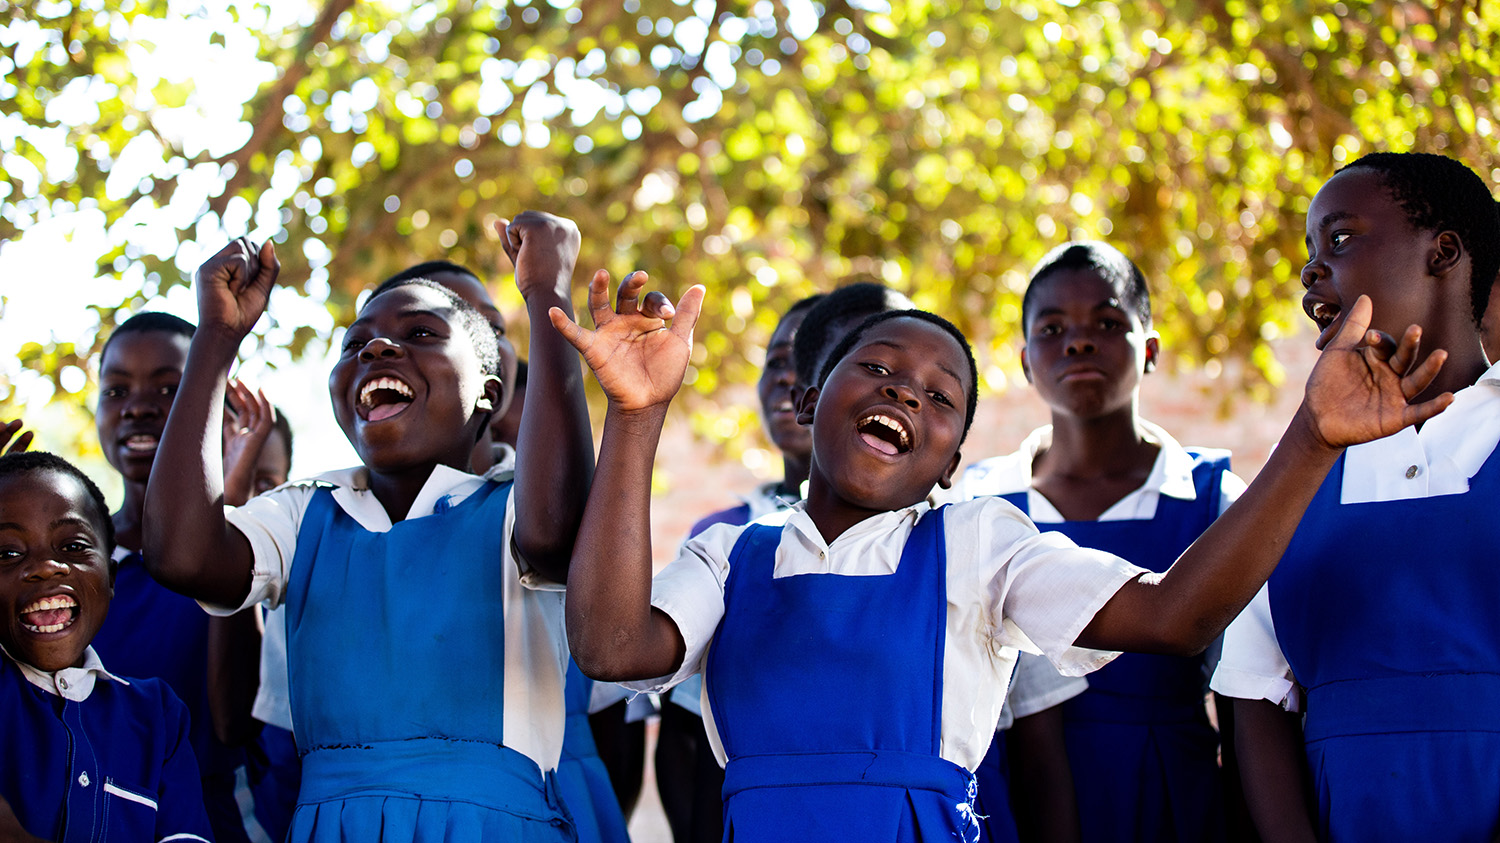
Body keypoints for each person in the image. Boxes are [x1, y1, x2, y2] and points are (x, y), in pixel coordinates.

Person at [553, 265, 1449, 842]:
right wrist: (636, 417)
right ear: (814, 393)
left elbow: (1178, 615)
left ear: (952, 459)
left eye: (941, 396)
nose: (905, 389)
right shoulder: (729, 557)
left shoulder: (978, 542)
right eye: (878, 368)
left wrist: (1310, 439)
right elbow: (609, 645)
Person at [140, 211, 594, 842]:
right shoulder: (306, 514)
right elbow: (181, 556)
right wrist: (216, 338)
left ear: (489, 395)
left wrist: (548, 293)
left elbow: (557, 529)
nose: (379, 348)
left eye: (423, 333)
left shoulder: (514, 506)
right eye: (356, 343)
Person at [1211, 152, 1500, 842]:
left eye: (1338, 239)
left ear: (1444, 252)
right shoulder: (1296, 478)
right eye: (1309, 253)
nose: (1312, 270)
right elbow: (1255, 696)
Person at [955, 241, 1243, 842]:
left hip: (1171, 793)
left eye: (1108, 323)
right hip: (1009, 794)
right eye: (1052, 327)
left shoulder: (1215, 498)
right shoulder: (972, 506)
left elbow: (1249, 692)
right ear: (1026, 361)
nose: (1079, 342)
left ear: (1151, 349)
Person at [657, 293, 823, 843]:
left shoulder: (936, 535)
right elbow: (682, 736)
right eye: (774, 362)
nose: (786, 376)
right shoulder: (724, 536)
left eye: (810, 355)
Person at [89, 310, 250, 842]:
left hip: (198, 823)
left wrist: (230, 506)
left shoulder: (253, 550)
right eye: (115, 391)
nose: (137, 407)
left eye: (168, 389)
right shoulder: (61, 567)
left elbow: (232, 725)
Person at [0, 451, 213, 842]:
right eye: (7, 553)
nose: (47, 567)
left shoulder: (157, 716)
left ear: (111, 578)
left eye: (73, 546)